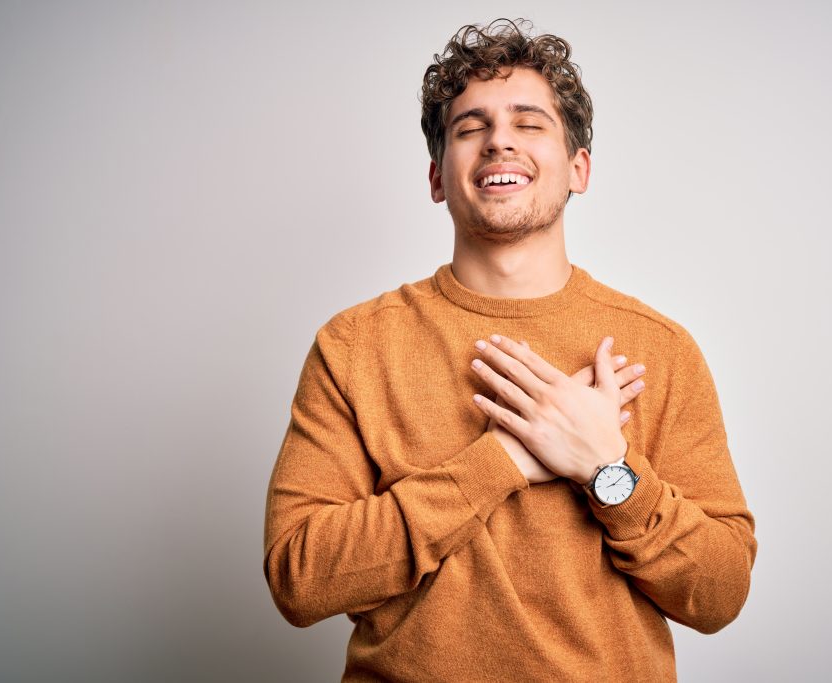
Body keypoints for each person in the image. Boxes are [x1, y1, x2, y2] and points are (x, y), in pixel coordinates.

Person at [263, 17, 757, 682]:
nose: (499, 140)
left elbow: (720, 592)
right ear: (438, 176)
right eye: (471, 128)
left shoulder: (661, 349)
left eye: (529, 123)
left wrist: (606, 468)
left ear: (578, 168)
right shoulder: (354, 345)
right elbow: (299, 575)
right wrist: (501, 458)